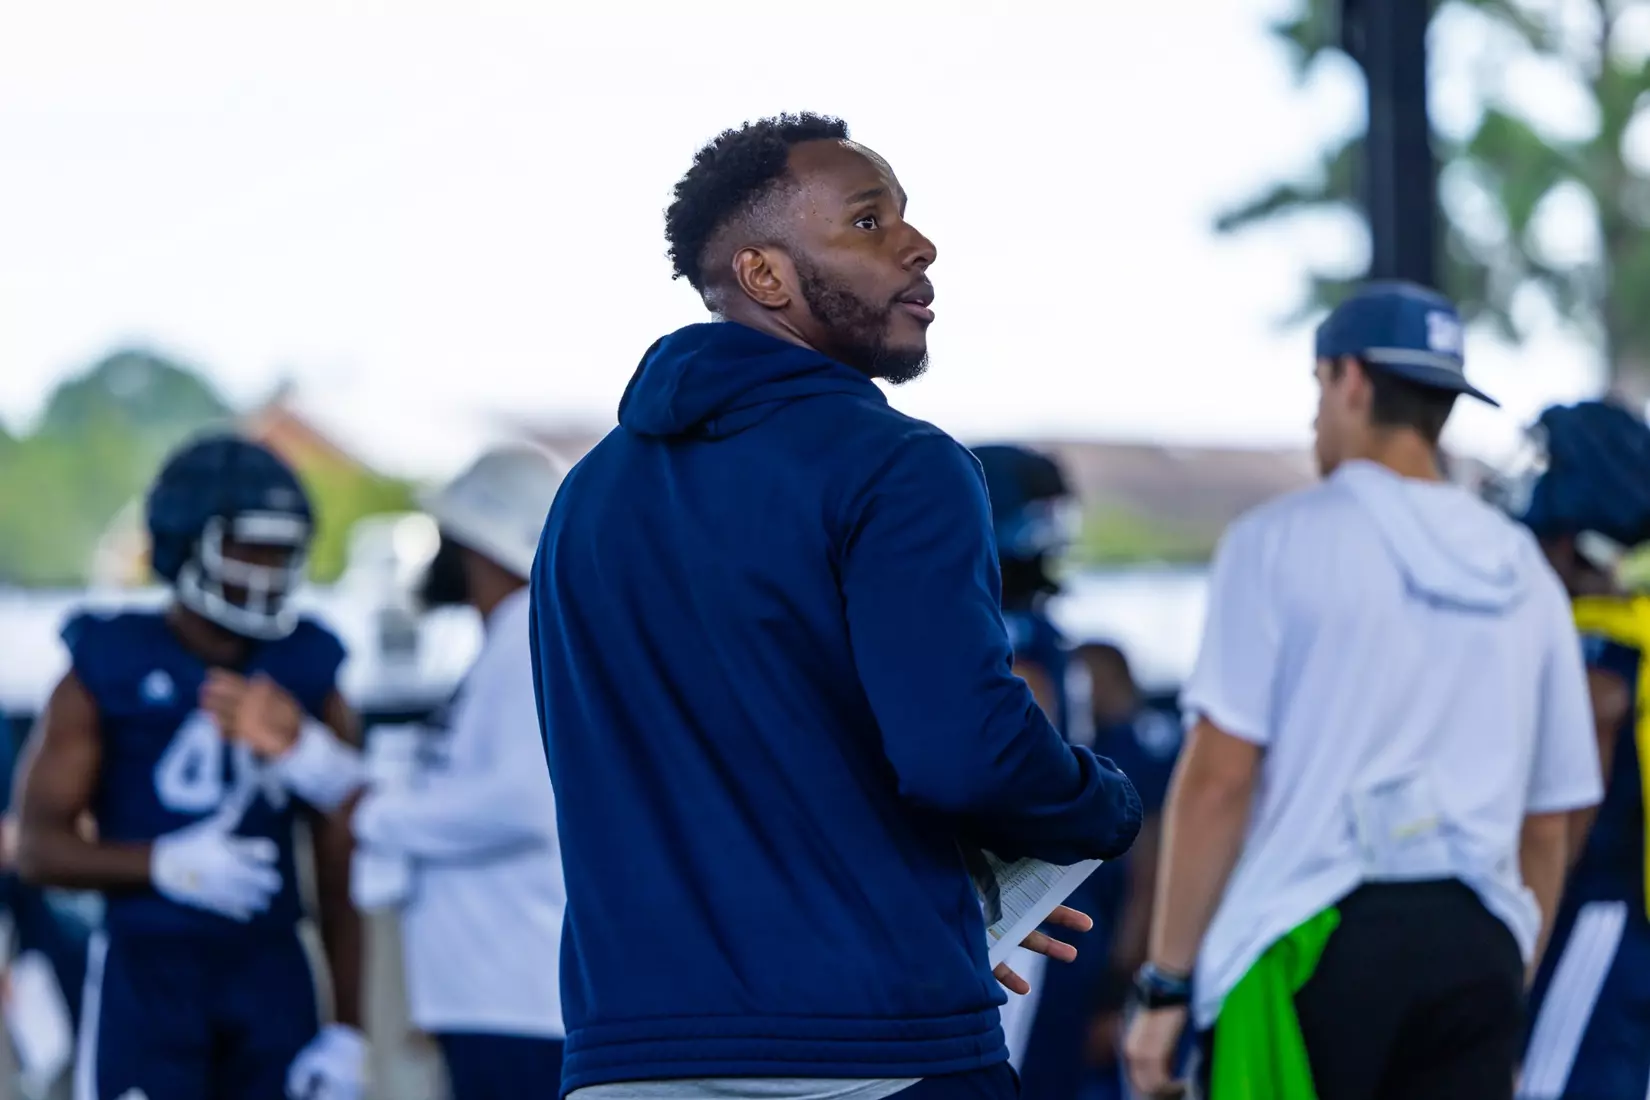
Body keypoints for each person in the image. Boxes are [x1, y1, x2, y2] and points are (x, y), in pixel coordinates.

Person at [530, 111, 1143, 1100]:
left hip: (631, 1054)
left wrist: (934, 908)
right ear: (765, 275)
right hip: (874, 1054)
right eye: (868, 221)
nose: (918, 242)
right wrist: (1102, 804)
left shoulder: (588, 496)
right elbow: (964, 751)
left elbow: (736, 765)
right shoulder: (901, 464)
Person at [1122, 281, 1602, 1100]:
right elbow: (1550, 825)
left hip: (1314, 946)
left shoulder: (1277, 542)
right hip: (1480, 946)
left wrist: (1165, 983)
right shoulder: (1523, 569)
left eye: (1317, 389)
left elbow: (1219, 780)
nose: (1314, 418)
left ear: (1348, 378)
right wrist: (1506, 972)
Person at [11, 434, 367, 1100]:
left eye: (282, 550)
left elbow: (346, 855)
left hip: (272, 976)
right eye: (248, 547)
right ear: (184, 543)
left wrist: (350, 1028)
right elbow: (36, 850)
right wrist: (160, 864)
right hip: (149, 976)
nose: (269, 569)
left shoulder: (310, 665)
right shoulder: (106, 663)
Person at [228, 444, 571, 1100]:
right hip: (497, 1000)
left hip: (514, 1005)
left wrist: (373, 815)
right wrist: (304, 752)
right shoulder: (511, 642)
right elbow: (449, 800)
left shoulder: (524, 642)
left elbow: (525, 803)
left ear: (476, 540)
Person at [1488, 401, 1650, 1100]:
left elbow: (1570, 819)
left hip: (1596, 912)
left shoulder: (1595, 649)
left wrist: (1524, 934)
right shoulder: (1628, 622)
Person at [1072, 642, 1183, 1100]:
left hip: (1136, 966)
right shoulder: (1160, 732)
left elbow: (1152, 875)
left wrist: (1120, 987)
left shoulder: (1126, 750)